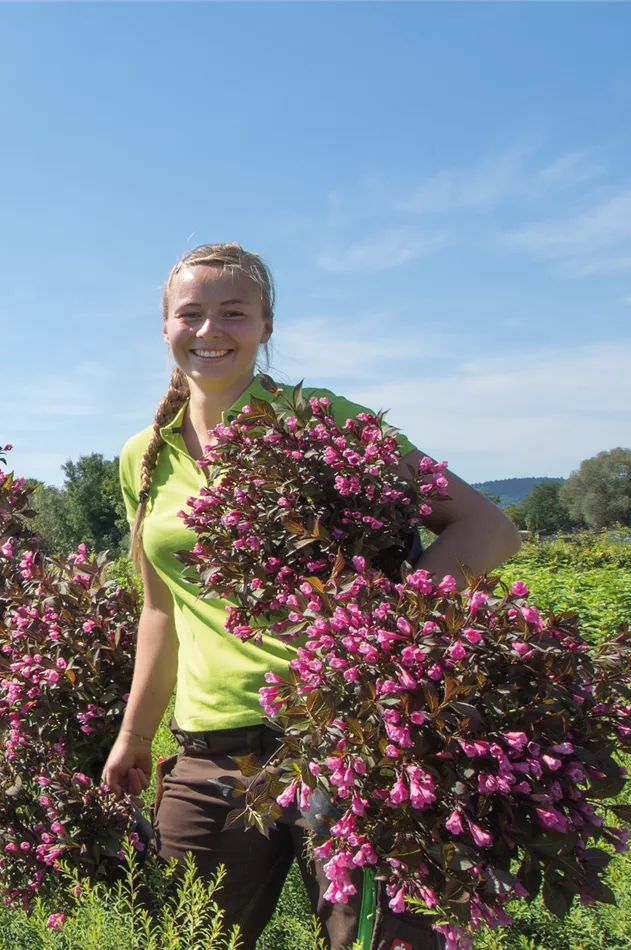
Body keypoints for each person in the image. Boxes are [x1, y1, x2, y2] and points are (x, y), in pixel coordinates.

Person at [101, 245, 521, 950]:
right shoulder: (143, 455)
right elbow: (160, 608)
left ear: (266, 326)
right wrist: (134, 736)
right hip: (213, 749)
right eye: (190, 314)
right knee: (186, 935)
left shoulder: (318, 421)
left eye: (234, 313)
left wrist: (384, 634)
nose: (210, 330)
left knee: (383, 940)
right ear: (165, 327)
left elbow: (487, 528)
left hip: (342, 736)